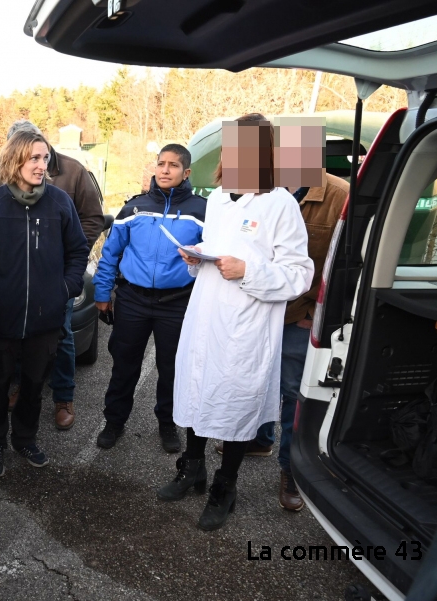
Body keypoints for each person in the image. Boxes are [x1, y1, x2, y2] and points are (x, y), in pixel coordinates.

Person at [156, 114, 314, 532]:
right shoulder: (221, 198)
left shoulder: (279, 202)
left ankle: (225, 486)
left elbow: (300, 273)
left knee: (234, 405)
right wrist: (197, 256)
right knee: (197, 391)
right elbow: (218, 248)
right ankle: (192, 468)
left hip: (247, 325)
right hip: (206, 314)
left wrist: (248, 270)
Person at [214, 116, 348, 511]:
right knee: (252, 379)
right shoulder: (259, 190)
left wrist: (314, 315)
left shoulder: (339, 195)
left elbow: (341, 266)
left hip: (297, 316)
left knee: (292, 391)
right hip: (253, 308)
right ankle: (259, 438)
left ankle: (291, 473)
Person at [0, 129, 89, 477]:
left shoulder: (60, 202)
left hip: (45, 319)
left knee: (34, 386)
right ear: (15, 159)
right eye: (34, 158)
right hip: (1, 317)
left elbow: (79, 250)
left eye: (45, 158)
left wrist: (65, 288)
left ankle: (24, 438)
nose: (41, 165)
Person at [0, 120, 104, 430]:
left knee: (61, 337)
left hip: (56, 276)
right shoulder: (0, 178)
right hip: (15, 279)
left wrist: (68, 272)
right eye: (24, 156)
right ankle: (21, 389)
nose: (35, 164)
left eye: (38, 155)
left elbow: (92, 217)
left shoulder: (73, 172)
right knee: (16, 338)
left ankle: (63, 397)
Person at [93, 143, 206, 453]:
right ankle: (114, 422)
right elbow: (111, 253)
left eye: (173, 165)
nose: (165, 169)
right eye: (161, 164)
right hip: (133, 300)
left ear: (187, 172)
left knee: (171, 368)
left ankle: (167, 424)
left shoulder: (202, 211)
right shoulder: (134, 208)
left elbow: (212, 258)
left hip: (177, 303)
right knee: (123, 365)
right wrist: (102, 293)